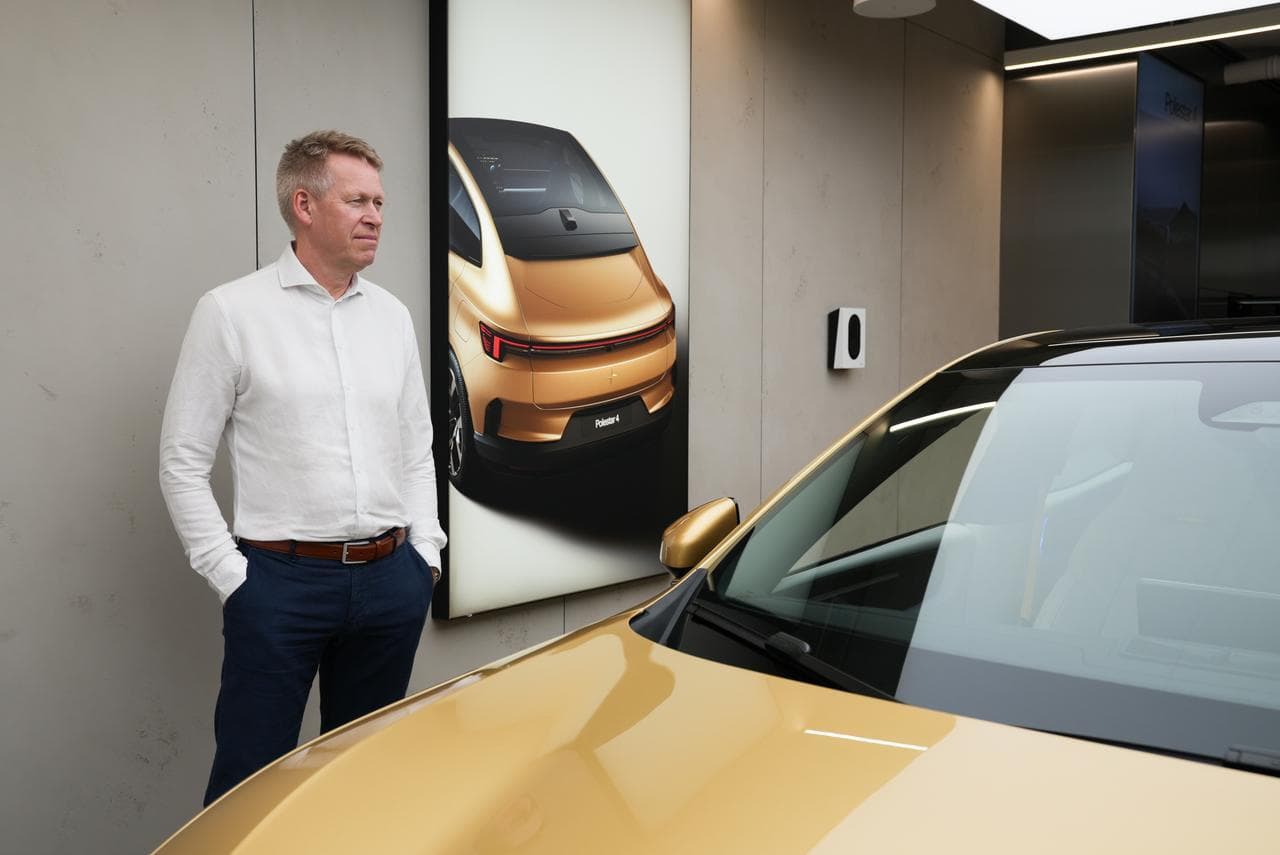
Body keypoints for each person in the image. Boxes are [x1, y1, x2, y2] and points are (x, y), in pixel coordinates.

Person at [159, 130, 446, 805]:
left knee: (359, 781)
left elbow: (415, 448)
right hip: (280, 586)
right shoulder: (232, 312)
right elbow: (181, 460)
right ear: (304, 205)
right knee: (251, 789)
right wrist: (237, 579)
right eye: (357, 200)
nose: (376, 215)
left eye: (379, 201)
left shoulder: (393, 317)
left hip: (389, 582)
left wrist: (424, 557)